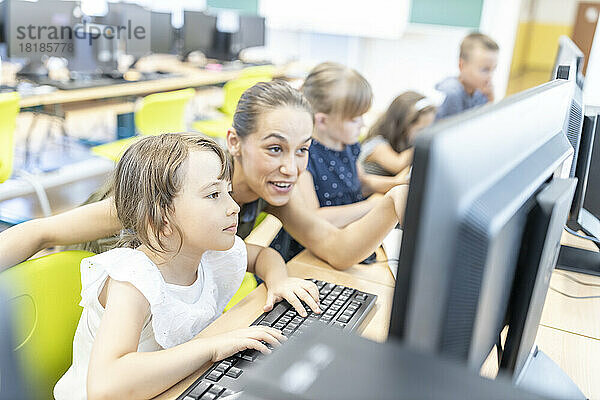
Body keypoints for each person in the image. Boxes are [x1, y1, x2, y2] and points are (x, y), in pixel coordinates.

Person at [0, 80, 407, 272]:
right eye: (274, 148)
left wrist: (391, 205)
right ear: (235, 142)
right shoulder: (180, 182)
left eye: (303, 150)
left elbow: (336, 249)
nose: (291, 167)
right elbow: (42, 232)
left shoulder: (274, 187)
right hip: (98, 285)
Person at [52, 134, 320, 400]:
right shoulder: (133, 278)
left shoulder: (208, 253)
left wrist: (278, 281)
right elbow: (106, 387)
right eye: (214, 194)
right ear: (161, 216)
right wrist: (211, 348)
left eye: (228, 192)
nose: (233, 207)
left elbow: (264, 256)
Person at [358, 91, 436, 194]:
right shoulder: (377, 145)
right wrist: (426, 145)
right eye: (421, 130)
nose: (425, 133)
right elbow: (398, 165)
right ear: (402, 126)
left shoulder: (405, 144)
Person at [435, 32, 498, 120]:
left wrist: (491, 99)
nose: (490, 76)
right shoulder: (452, 94)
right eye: (485, 69)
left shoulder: (480, 93)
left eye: (493, 69)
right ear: (462, 65)